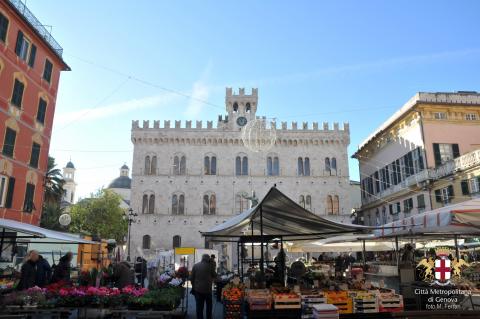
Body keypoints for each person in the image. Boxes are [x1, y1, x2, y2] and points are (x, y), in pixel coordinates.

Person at [191, 254, 216, 319]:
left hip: (198, 290)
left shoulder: (195, 266)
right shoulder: (210, 266)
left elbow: (191, 278)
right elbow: (214, 275)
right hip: (208, 290)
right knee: (209, 306)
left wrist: (194, 286)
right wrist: (212, 264)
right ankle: (209, 317)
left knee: (199, 307)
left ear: (202, 258)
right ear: (208, 259)